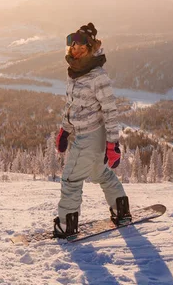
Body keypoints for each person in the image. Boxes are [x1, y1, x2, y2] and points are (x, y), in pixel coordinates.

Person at [53, 22, 131, 238]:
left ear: (91, 48)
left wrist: (113, 144)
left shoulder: (97, 76)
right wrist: (65, 130)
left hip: (91, 136)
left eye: (81, 48)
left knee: (71, 179)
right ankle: (121, 210)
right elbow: (72, 105)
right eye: (73, 47)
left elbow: (110, 111)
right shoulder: (75, 72)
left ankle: (66, 225)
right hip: (86, 133)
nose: (76, 51)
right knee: (100, 173)